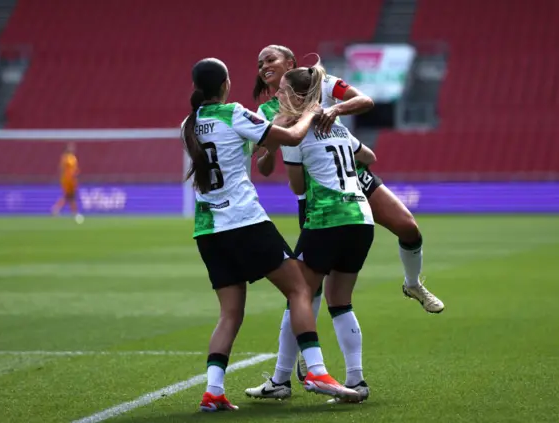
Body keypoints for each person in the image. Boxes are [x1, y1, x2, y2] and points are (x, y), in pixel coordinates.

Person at [245, 45, 444, 401]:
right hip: (353, 207)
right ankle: (349, 379)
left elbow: (298, 181)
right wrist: (275, 150)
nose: (264, 68)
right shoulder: (272, 110)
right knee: (331, 297)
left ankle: (289, 376)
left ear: (291, 67)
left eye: (270, 60)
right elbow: (362, 153)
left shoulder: (319, 91)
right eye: (260, 64)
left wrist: (305, 139)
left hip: (328, 203)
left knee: (300, 293)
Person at [181, 58, 359, 412]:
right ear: (226, 83)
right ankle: (317, 372)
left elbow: (248, 144)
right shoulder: (233, 113)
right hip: (244, 222)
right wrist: (311, 110)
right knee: (299, 289)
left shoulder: (189, 124)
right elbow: (291, 137)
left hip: (208, 230)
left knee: (229, 314)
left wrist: (276, 122)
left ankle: (213, 391)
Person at [246, 60, 378, 403]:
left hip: (326, 220)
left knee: (298, 295)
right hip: (361, 218)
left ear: (296, 95)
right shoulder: (334, 124)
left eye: (283, 91)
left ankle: (282, 380)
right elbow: (371, 156)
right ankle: (357, 380)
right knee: (341, 301)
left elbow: (296, 185)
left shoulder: (298, 130)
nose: (278, 95)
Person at [51, 142, 84, 223]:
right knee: (70, 196)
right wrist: (62, 177)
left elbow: (74, 169)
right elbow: (62, 168)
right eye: (70, 147)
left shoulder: (73, 158)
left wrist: (76, 174)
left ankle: (56, 209)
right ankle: (74, 213)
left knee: (69, 197)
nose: (72, 149)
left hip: (72, 180)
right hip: (67, 180)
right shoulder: (65, 158)